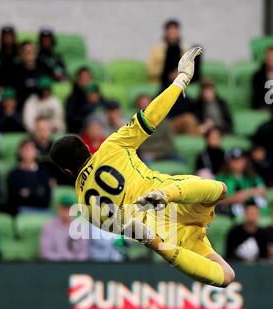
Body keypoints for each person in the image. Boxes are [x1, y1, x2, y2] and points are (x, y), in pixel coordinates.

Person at [50, 47, 235, 288]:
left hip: (163, 230)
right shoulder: (111, 145)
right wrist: (181, 80)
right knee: (220, 189)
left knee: (226, 277)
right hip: (174, 198)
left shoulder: (84, 208)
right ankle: (164, 195)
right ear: (87, 145)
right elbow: (152, 115)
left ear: (66, 172)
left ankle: (158, 246)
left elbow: (123, 230)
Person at [216, 148, 268, 218]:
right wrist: (233, 199)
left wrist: (245, 193)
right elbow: (216, 200)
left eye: (241, 160)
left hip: (254, 209)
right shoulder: (221, 178)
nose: (238, 163)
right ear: (229, 162)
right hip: (230, 212)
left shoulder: (252, 176)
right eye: (235, 161)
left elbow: (262, 189)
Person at [148, 19, 200, 86]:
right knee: (171, 49)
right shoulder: (157, 48)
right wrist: (168, 74)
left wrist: (178, 73)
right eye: (171, 32)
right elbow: (151, 70)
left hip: (181, 77)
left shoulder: (185, 47)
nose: (173, 35)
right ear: (166, 32)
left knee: (196, 49)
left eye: (175, 32)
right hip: (163, 78)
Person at [7, 139, 51, 215]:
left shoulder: (43, 174)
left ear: (35, 152)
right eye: (25, 149)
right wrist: (36, 194)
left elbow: (46, 199)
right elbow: (14, 200)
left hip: (42, 211)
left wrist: (28, 193)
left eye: (31, 149)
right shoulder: (13, 174)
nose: (28, 152)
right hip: (21, 211)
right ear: (20, 152)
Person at [40, 194, 89, 261]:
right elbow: (45, 253)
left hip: (75, 266)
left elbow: (84, 252)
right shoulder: (49, 227)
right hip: (54, 266)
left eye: (70, 208)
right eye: (64, 208)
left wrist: (73, 261)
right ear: (59, 209)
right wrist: (63, 259)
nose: (67, 211)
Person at [135, 93, 177, 161]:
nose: (145, 107)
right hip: (145, 155)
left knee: (180, 160)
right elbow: (137, 146)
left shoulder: (165, 123)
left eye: (147, 104)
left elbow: (171, 144)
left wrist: (156, 154)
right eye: (142, 105)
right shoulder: (135, 124)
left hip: (164, 154)